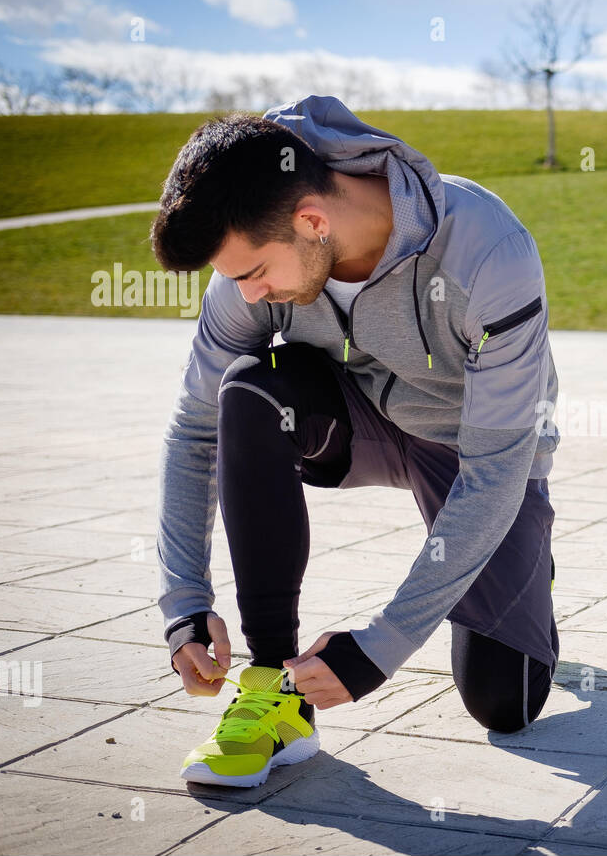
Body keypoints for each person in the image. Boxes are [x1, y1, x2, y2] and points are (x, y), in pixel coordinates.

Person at [148, 94, 561, 788]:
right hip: (353, 426)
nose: (250, 298)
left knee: (504, 703)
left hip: (471, 451)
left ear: (312, 220)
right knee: (248, 387)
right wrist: (184, 603)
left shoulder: (488, 250)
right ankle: (272, 687)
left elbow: (496, 465)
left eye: (253, 275)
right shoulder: (259, 250)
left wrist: (381, 647)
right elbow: (193, 431)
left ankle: (527, 564)